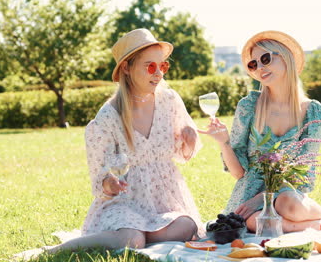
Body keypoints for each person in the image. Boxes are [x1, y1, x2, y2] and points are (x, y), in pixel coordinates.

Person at [15, 28, 204, 260]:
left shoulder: (170, 101)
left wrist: (190, 138)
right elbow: (100, 180)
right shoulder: (108, 116)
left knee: (187, 227)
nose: (159, 74)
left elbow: (182, 153)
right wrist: (109, 183)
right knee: (131, 239)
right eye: (150, 66)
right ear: (127, 67)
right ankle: (57, 250)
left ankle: (141, 235)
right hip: (124, 203)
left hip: (162, 203)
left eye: (163, 66)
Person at [199, 30, 321, 233]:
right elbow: (238, 173)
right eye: (254, 64)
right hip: (248, 198)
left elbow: (304, 176)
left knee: (286, 205)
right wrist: (223, 142)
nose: (260, 68)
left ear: (286, 57)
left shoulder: (312, 111)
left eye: (265, 59)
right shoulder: (249, 106)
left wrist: (263, 199)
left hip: (287, 195)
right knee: (254, 223)